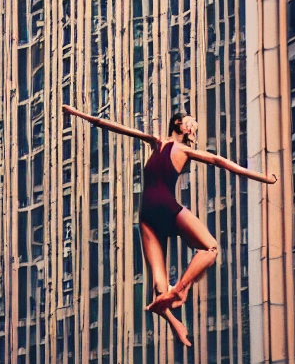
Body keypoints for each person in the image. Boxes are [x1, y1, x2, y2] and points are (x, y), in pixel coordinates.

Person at [63, 106, 277, 346]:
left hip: (145, 213)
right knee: (210, 248)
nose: (194, 127)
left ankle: (173, 320)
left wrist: (82, 116)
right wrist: (261, 177)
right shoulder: (182, 149)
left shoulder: (156, 143)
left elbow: (116, 127)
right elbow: (219, 161)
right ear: (178, 124)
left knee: (159, 282)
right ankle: (182, 289)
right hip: (165, 205)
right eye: (191, 122)